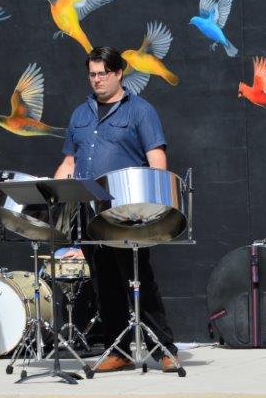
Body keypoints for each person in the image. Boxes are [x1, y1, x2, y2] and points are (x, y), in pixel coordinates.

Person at [54, 46, 179, 373]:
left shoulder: (140, 111)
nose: (96, 80)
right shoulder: (79, 115)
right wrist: (54, 193)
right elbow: (69, 162)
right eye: (92, 74)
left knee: (139, 279)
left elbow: (156, 157)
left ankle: (164, 348)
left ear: (118, 73)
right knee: (103, 283)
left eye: (102, 74)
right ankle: (118, 350)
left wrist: (158, 205)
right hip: (89, 212)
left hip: (128, 210)